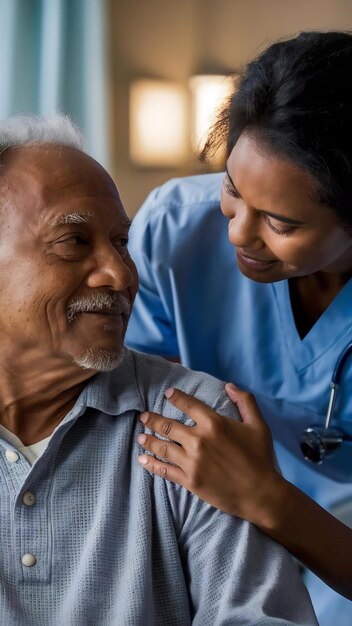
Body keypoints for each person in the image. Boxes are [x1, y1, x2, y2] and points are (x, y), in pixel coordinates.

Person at [0, 114, 318, 626]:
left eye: (122, 242)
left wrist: (271, 500)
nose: (121, 274)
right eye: (75, 242)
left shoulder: (196, 424)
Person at [125, 30, 352, 626]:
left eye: (280, 221)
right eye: (231, 187)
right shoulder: (174, 233)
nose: (237, 235)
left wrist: (266, 498)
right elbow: (133, 419)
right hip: (205, 518)